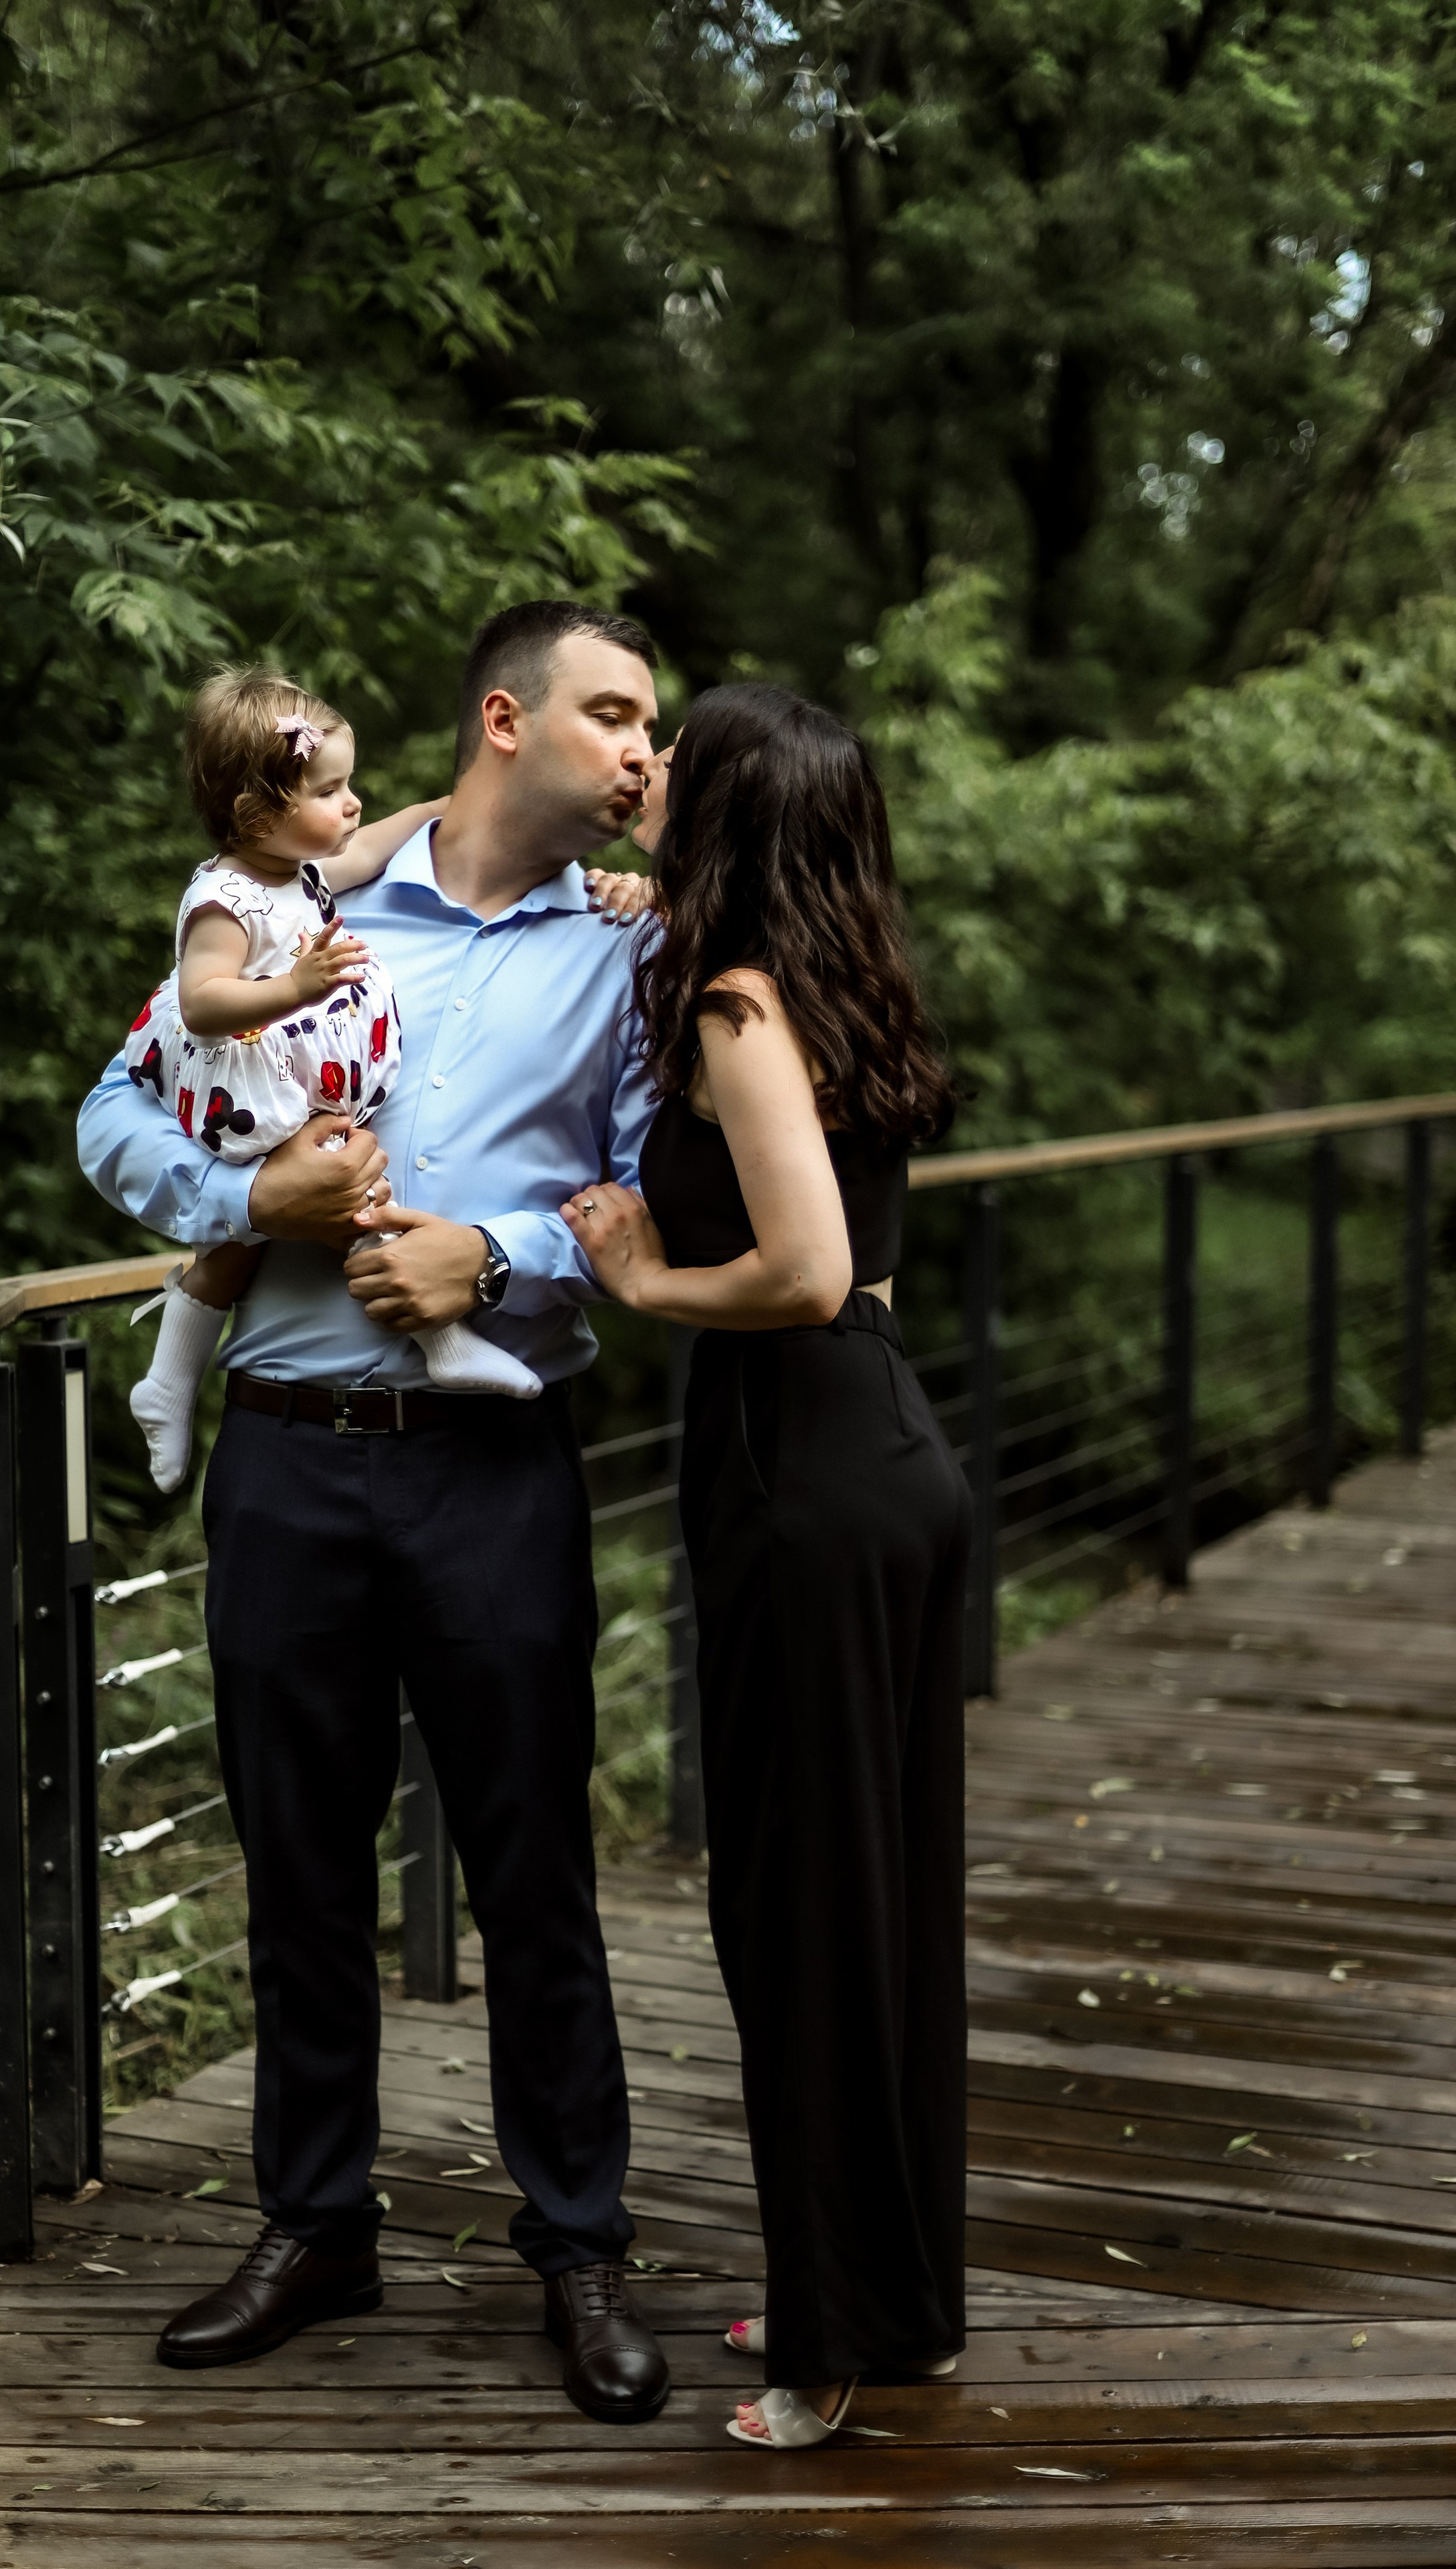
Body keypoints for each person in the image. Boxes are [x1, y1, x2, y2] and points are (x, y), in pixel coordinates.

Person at [76, 600, 671, 2426]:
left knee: (532, 1875)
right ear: (509, 719)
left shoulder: (630, 957)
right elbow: (113, 1120)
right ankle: (316, 2228)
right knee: (303, 1870)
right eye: (616, 715)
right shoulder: (297, 909)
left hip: (495, 1462)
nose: (646, 752)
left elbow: (646, 1196)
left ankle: (578, 2246)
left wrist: (483, 1258)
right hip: (287, 1454)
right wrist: (258, 1204)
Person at [560, 684, 969, 2451]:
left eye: (675, 764)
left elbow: (800, 1270)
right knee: (878, 1907)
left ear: (726, 808)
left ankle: (822, 2348)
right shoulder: (822, 975)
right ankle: (888, 2292)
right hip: (878, 1445)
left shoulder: (736, 1003)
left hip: (801, 1456)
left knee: (797, 1912)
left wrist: (646, 1287)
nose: (642, 779)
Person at [122, 666, 537, 1495]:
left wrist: (448, 812)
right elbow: (204, 1004)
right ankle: (442, 1344)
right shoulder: (223, 900)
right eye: (331, 789)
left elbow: (380, 840)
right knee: (348, 1186)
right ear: (258, 813)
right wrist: (297, 987)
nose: (352, 805)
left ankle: (166, 1380)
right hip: (247, 1080)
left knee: (244, 1243)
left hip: (294, 1074)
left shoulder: (299, 872)